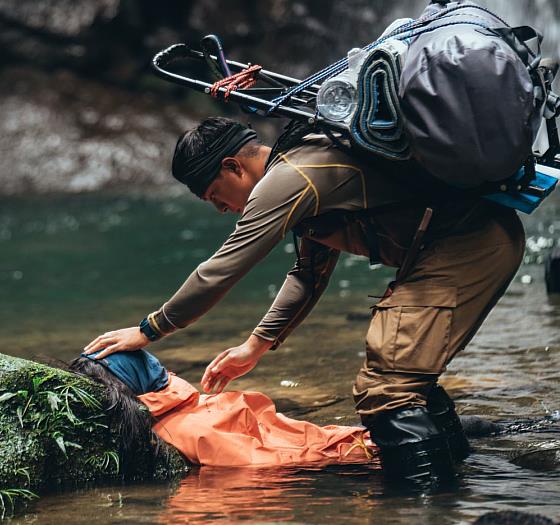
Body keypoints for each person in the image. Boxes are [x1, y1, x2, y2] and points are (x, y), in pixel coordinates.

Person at [83, 117, 525, 485]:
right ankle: (459, 472)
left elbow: (222, 268)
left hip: (469, 244)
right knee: (400, 378)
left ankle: (425, 504)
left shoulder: (288, 180)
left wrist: (149, 329)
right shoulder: (305, 170)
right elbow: (309, 274)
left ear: (233, 166)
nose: (221, 209)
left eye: (216, 197)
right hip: (464, 242)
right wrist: (253, 347)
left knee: (387, 387)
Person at [70, 349, 377, 468]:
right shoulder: (191, 413)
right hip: (350, 446)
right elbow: (269, 456)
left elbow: (265, 459)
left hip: (350, 448)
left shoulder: (180, 420)